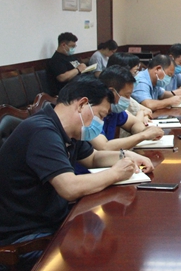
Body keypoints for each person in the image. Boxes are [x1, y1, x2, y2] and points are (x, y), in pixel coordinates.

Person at [0, 77, 153, 269]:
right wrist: (115, 174)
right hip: (26, 235)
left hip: (53, 219)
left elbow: (93, 158)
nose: (101, 123)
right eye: (100, 115)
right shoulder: (42, 131)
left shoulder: (68, 130)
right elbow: (69, 188)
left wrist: (126, 155)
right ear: (82, 104)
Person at [91, 66, 164, 150]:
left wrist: (146, 131)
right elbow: (104, 147)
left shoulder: (114, 110)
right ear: (111, 92)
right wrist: (143, 135)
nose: (129, 100)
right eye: (127, 95)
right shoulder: (90, 112)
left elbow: (134, 123)